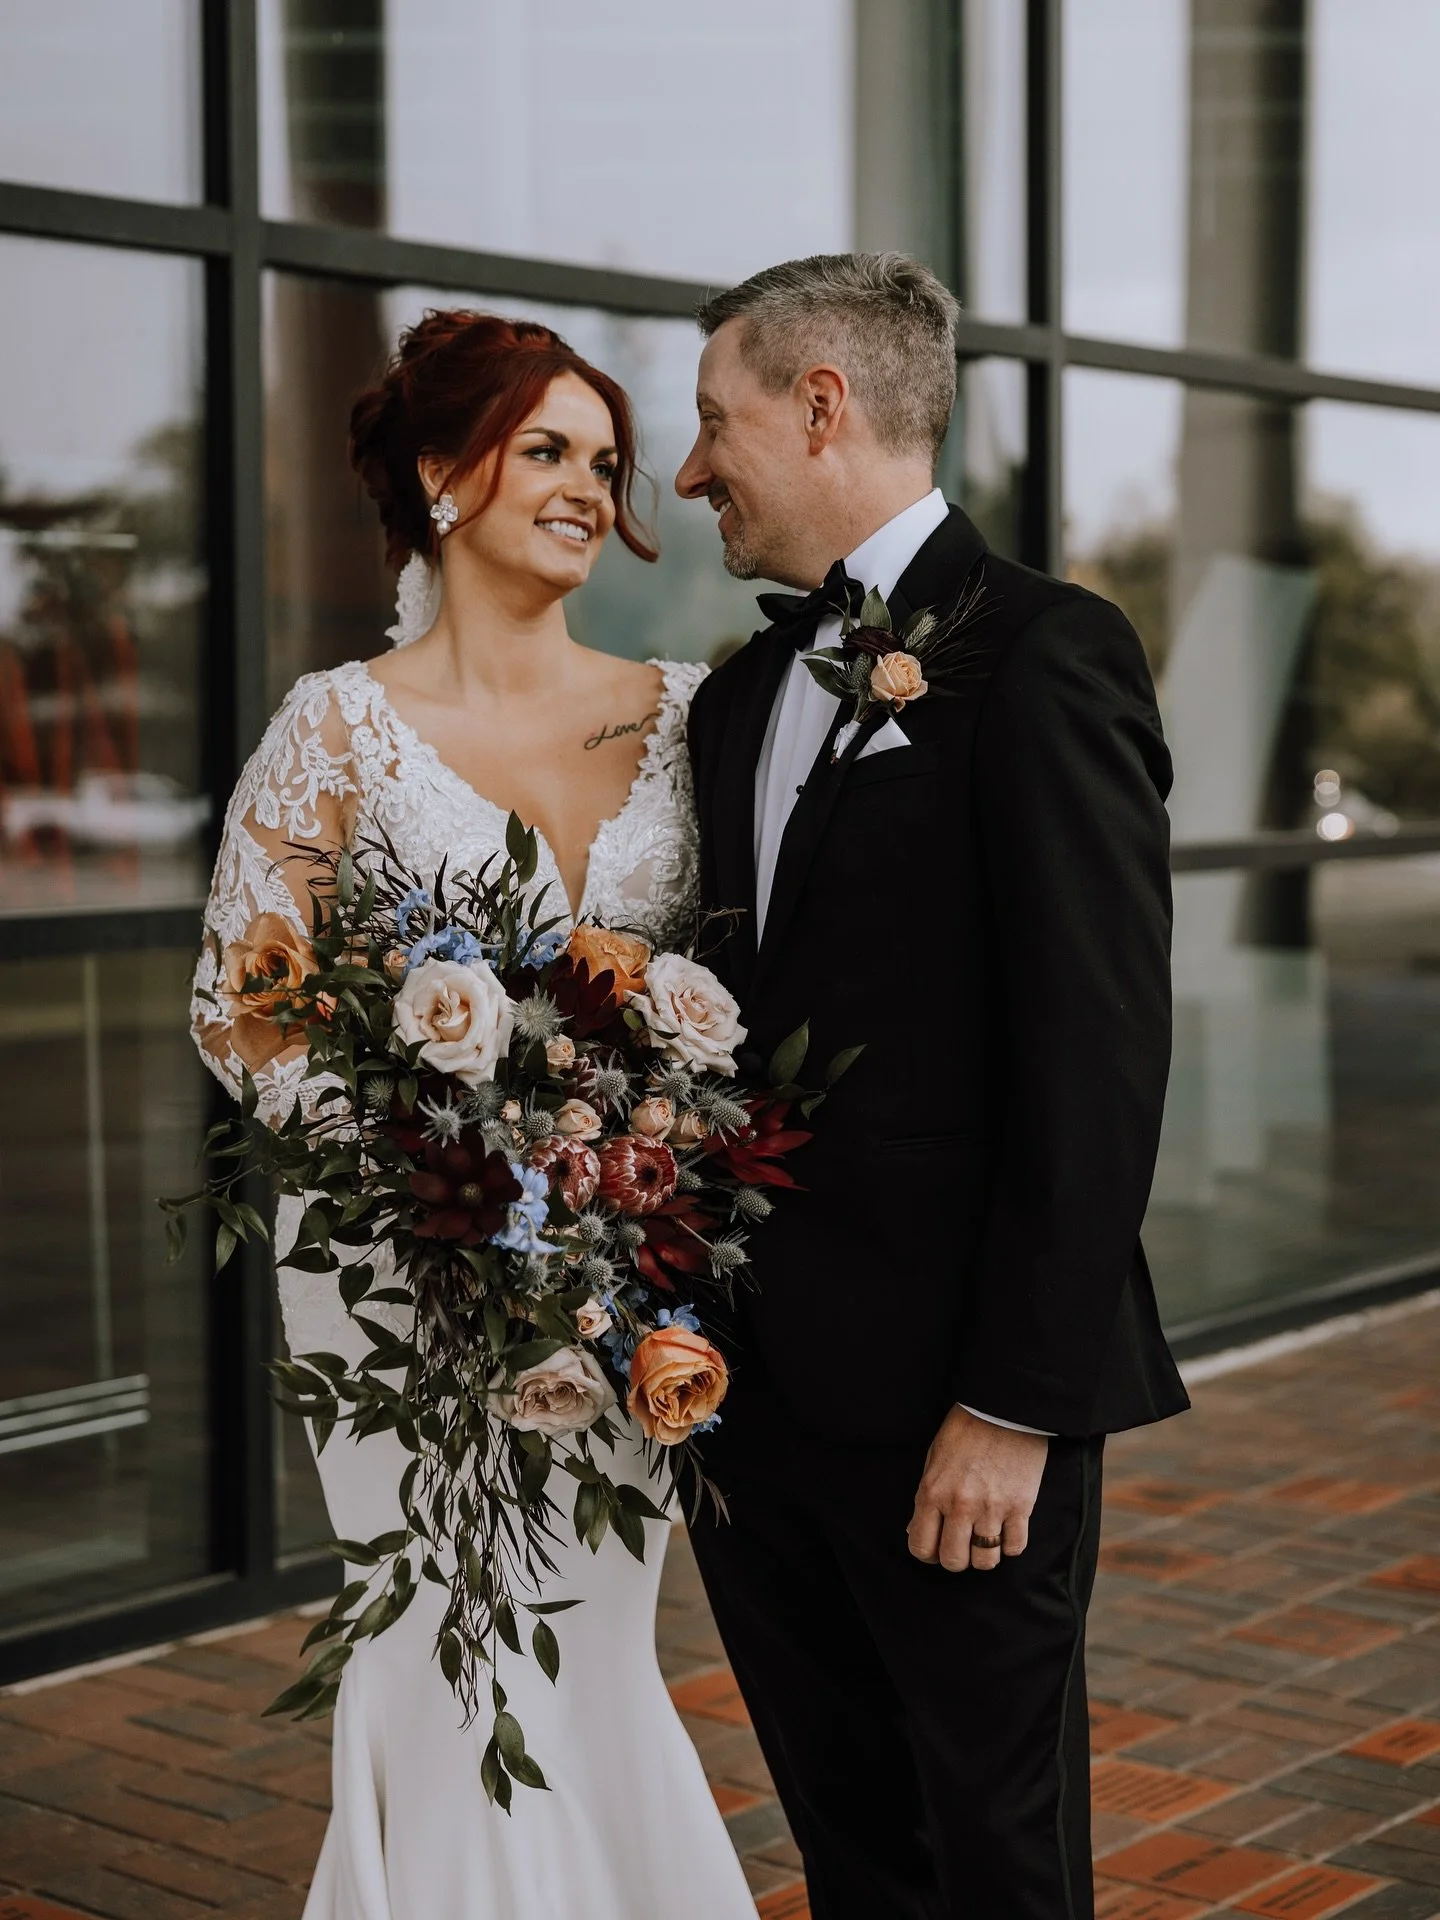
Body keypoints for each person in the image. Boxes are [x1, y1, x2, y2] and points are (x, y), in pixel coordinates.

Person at [190, 311, 754, 1920]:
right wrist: (444, 1161)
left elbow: (727, 985)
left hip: (626, 1264)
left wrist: (618, 1160)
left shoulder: (685, 712)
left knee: (586, 1637)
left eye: (604, 458)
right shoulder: (335, 729)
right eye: (545, 451)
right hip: (396, 1267)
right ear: (444, 476)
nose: (588, 485)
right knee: (439, 1647)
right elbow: (245, 1003)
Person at [676, 252, 1190, 1920]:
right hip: (750, 1411)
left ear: (821, 407)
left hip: (955, 1415)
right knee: (850, 1846)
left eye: (711, 422)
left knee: (998, 1857)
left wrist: (1016, 1405)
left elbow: (1096, 1056)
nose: (690, 474)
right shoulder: (739, 695)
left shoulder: (1049, 653)